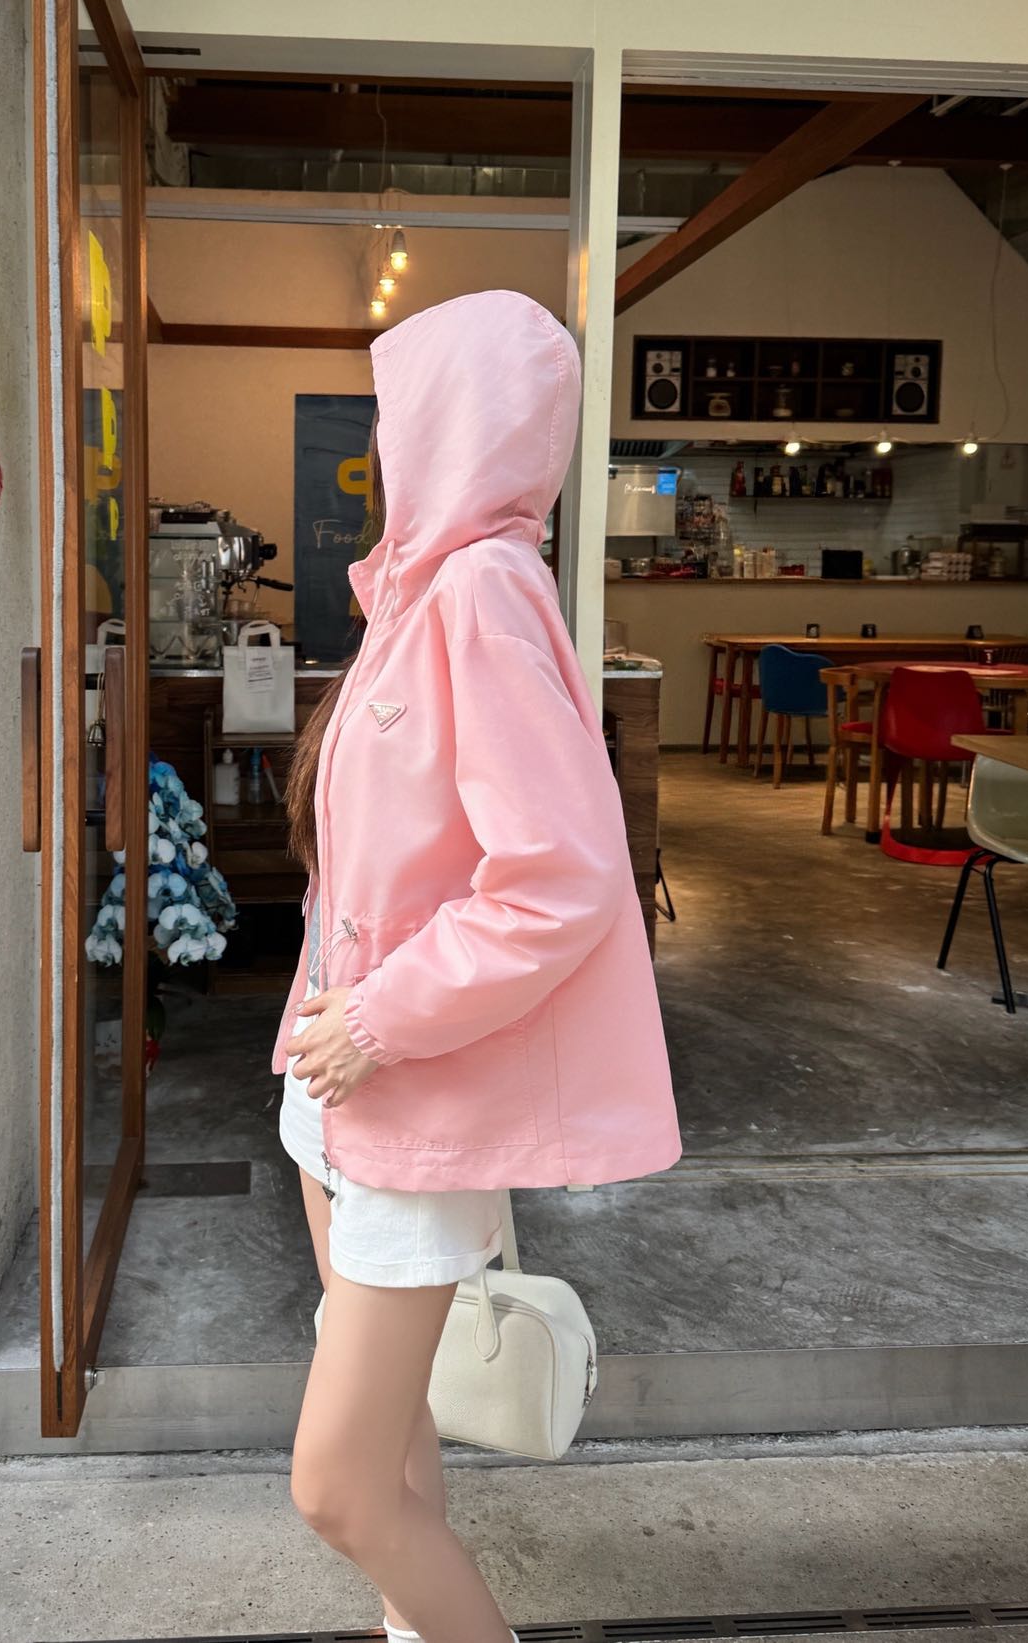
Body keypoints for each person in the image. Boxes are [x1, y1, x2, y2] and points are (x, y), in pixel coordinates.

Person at [274, 288, 681, 1643]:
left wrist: (378, 1020)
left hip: (409, 1098)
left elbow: (560, 875)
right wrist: (333, 1032)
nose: (383, 444)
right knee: (392, 1453)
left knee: (337, 1490)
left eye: (401, 415)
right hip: (338, 1090)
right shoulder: (416, 592)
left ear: (462, 421)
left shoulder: (481, 592)